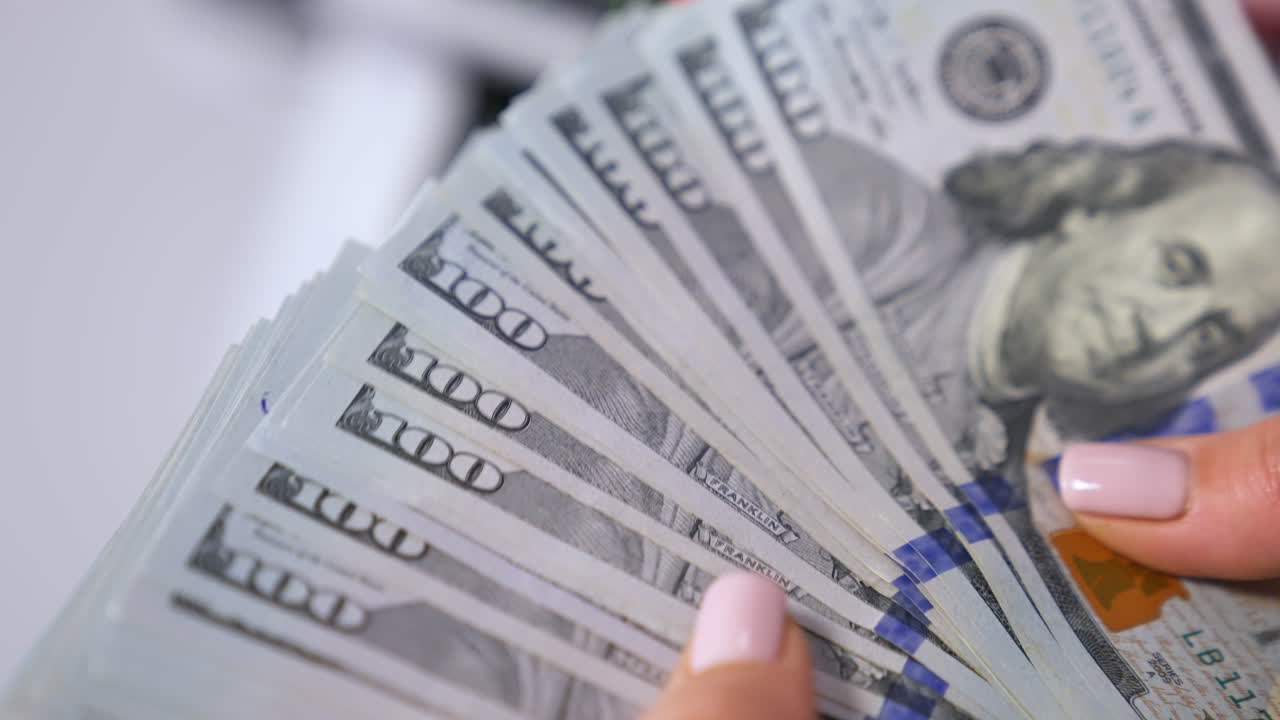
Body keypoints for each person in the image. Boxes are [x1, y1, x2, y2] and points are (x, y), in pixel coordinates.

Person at [639, 2, 1280, 719]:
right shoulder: (870, 213)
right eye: (1179, 269)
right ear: (1088, 208)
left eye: (1213, 337)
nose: (1166, 329)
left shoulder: (1015, 491)